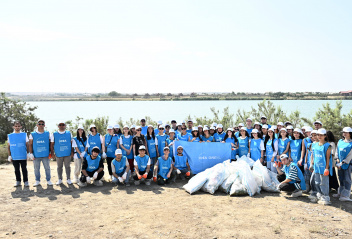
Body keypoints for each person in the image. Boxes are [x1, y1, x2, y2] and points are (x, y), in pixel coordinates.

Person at [309, 128, 332, 205]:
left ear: (325, 136)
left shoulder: (327, 145)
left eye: (321, 135)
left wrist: (326, 168)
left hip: (323, 167)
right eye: (318, 135)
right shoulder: (314, 144)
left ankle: (325, 197)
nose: (319, 136)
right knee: (317, 182)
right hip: (316, 167)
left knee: (324, 182)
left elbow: (327, 158)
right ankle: (319, 195)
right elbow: (314, 155)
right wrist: (312, 164)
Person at [29, 119, 53, 186]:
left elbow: (51, 143)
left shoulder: (48, 133)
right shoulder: (32, 134)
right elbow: (30, 144)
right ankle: (37, 180)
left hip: (46, 154)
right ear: (37, 125)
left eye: (42, 124)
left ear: (44, 125)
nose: (41, 125)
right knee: (36, 168)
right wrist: (30, 153)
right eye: (39, 124)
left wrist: (51, 153)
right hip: (36, 155)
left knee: (47, 168)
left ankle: (48, 180)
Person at [50, 121, 73, 185]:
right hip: (58, 153)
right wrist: (52, 153)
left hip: (67, 153)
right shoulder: (54, 134)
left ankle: (68, 179)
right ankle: (60, 179)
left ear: (65, 126)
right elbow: (52, 144)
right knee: (59, 167)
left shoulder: (69, 133)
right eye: (60, 125)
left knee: (67, 166)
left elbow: (71, 143)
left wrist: (72, 151)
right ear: (58, 126)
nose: (61, 126)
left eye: (63, 125)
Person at [7, 121, 29, 187]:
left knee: (24, 169)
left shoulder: (24, 134)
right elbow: (8, 146)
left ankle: (26, 181)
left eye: (18, 126)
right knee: (16, 170)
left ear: (21, 127)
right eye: (16, 126)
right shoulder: (10, 136)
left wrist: (28, 153)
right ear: (13, 127)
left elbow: (27, 145)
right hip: (14, 156)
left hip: (23, 155)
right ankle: (18, 181)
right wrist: (9, 155)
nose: (17, 127)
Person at [334, 127, 352, 201]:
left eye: (346, 132)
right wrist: (337, 159)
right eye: (343, 132)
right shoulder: (340, 141)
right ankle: (340, 192)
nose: (344, 133)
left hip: (347, 164)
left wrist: (344, 162)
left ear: (350, 133)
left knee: (347, 179)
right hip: (339, 164)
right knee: (340, 178)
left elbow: (350, 155)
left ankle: (346, 195)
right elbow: (336, 151)